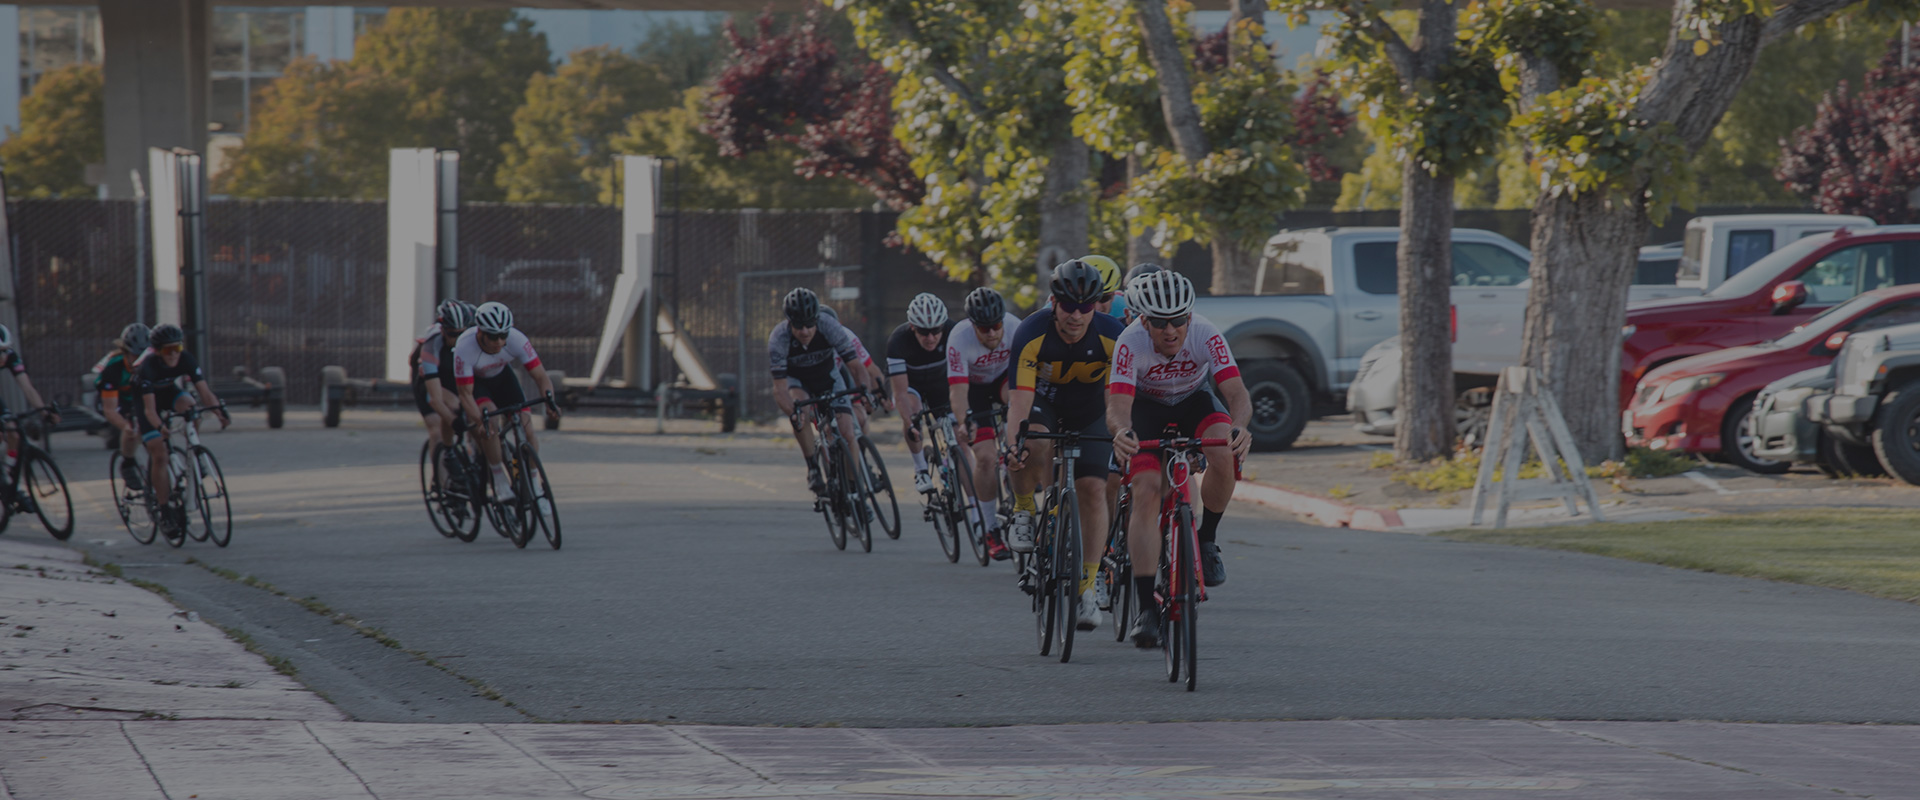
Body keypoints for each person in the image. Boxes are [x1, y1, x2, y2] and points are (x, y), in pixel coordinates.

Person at [1106, 269, 1253, 648]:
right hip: (1147, 409)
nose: (1170, 330)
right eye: (1159, 322)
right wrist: (1122, 432)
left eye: (1177, 320)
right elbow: (1118, 405)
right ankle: (1145, 608)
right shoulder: (1129, 342)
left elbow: (1236, 392)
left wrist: (1240, 426)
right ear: (1144, 321)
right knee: (1146, 491)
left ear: (1189, 316)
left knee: (1224, 451)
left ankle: (1207, 540)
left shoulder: (1206, 332)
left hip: (1194, 401)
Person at [1005, 260, 1126, 632]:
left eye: (1086, 306)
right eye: (1069, 306)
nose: (1077, 315)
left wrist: (1121, 434)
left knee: (1093, 488)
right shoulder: (1031, 331)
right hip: (1045, 404)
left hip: (1091, 410)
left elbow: (1116, 400)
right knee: (1031, 443)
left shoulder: (1113, 334)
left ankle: (1087, 587)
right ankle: (1023, 508)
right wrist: (1013, 444)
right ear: (1054, 303)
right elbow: (1020, 401)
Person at [452, 302, 561, 503]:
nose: (500, 341)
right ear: (480, 332)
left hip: (504, 379)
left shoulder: (517, 339)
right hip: (478, 385)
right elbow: (465, 394)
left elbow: (540, 376)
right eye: (494, 336)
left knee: (527, 429)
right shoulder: (465, 347)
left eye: (503, 335)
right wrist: (480, 421)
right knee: (490, 424)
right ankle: (499, 480)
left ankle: (534, 484)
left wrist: (550, 402)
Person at [770, 288, 874, 495]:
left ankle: (855, 492)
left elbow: (856, 367)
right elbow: (780, 389)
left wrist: (866, 393)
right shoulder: (779, 339)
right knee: (800, 412)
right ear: (789, 322)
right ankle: (813, 468)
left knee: (848, 432)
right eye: (799, 326)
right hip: (798, 380)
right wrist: (793, 412)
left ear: (817, 319)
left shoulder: (829, 326)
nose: (805, 331)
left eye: (810, 324)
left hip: (827, 376)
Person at [946, 287, 1021, 560]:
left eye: (996, 326)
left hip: (1004, 381)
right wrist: (964, 421)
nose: (991, 333)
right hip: (974, 390)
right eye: (984, 328)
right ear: (973, 325)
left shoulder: (1015, 328)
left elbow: (1026, 381)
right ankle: (990, 528)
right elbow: (958, 391)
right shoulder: (958, 338)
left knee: (1019, 409)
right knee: (986, 458)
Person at [136, 323, 229, 542]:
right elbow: (150, 411)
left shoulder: (186, 358)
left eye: (177, 348)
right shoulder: (147, 367)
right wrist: (160, 427)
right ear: (158, 351)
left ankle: (192, 453)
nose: (173, 354)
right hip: (147, 403)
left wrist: (219, 412)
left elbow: (204, 392)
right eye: (168, 350)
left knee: (192, 408)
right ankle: (164, 510)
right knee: (160, 455)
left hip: (169, 393)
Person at [886, 293, 956, 495]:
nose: (931, 338)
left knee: (958, 429)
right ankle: (921, 469)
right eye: (924, 332)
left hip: (939, 384)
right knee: (914, 412)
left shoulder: (953, 332)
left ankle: (950, 462)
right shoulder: (898, 340)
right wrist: (910, 424)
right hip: (911, 384)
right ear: (912, 327)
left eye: (936, 331)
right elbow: (900, 394)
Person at [414, 300, 476, 485]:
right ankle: (441, 482)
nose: (457, 339)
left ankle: (472, 457)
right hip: (429, 380)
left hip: (453, 375)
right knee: (437, 429)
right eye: (452, 334)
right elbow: (435, 399)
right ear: (442, 330)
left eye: (462, 334)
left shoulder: (474, 338)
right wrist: (453, 421)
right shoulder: (431, 345)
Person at [95, 324, 150, 489]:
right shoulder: (114, 367)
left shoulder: (152, 363)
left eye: (143, 356)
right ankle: (128, 463)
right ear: (125, 352)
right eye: (135, 356)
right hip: (116, 399)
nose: (139, 361)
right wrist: (126, 426)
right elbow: (110, 410)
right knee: (131, 427)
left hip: (139, 396)